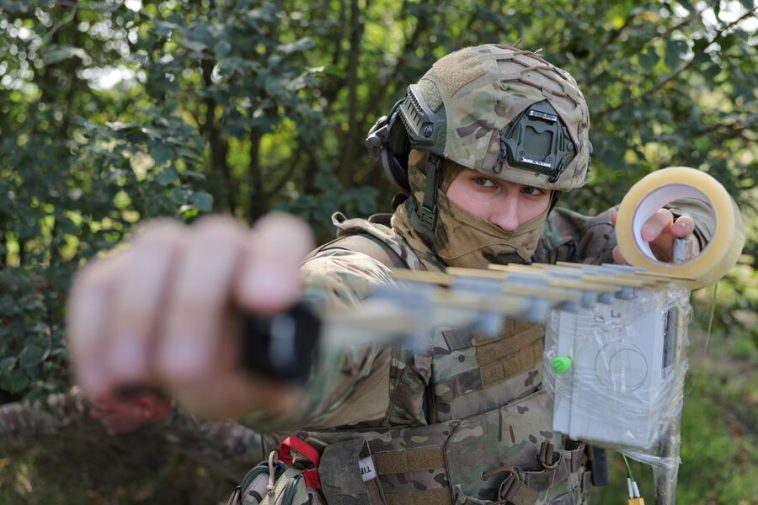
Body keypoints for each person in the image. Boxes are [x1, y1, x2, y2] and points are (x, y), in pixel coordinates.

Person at [66, 44, 714, 504]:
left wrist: (677, 233)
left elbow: (633, 233)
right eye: (484, 182)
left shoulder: (553, 243)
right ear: (423, 172)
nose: (511, 216)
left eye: (533, 194)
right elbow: (328, 323)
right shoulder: (374, 274)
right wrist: (235, 337)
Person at [0, 387, 264, 481]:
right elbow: (42, 414)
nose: (94, 415)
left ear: (146, 408)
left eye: (104, 411)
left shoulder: (227, 427)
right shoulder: (121, 392)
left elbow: (293, 463)